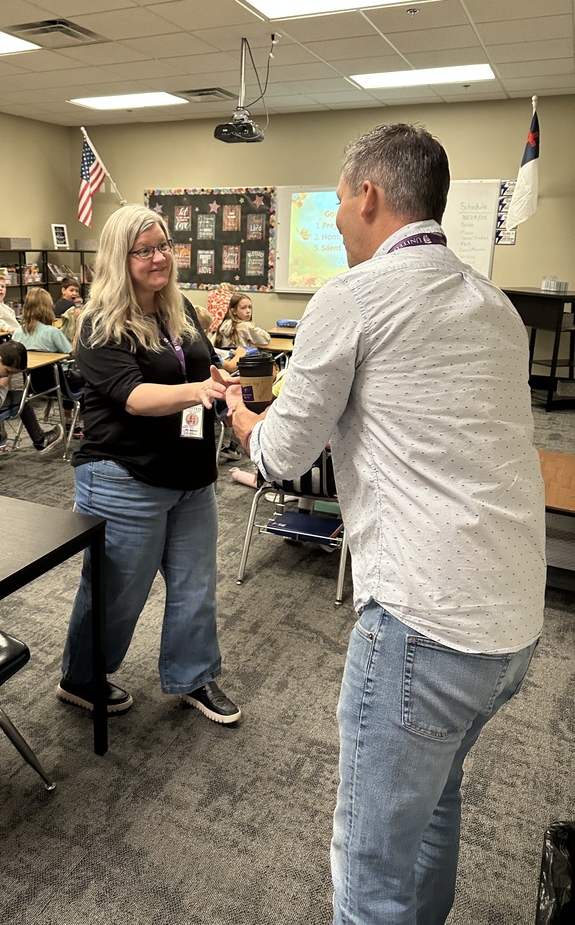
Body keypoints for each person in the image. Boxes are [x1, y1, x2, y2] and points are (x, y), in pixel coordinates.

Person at [225, 123, 546, 924]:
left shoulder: (355, 297)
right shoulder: (495, 307)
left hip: (424, 631)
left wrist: (242, 421)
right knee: (434, 809)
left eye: (336, 200)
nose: (334, 218)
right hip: (511, 630)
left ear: (367, 195)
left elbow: (285, 455)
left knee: (368, 871)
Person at [57, 204, 241, 725]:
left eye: (163, 247)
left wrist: (226, 373)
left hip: (189, 474)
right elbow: (133, 396)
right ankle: (82, 677)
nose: (158, 258)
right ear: (120, 257)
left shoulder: (175, 306)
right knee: (117, 592)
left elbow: (201, 362)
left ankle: (194, 676)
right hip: (123, 476)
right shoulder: (98, 323)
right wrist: (199, 389)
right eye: (144, 251)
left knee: (196, 585)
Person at [0, 338, 63, 453]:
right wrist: (2, 385)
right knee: (22, 398)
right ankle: (41, 440)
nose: (9, 376)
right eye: (8, 371)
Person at [54, 277, 83, 342]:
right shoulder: (70, 306)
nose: (75, 293)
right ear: (63, 290)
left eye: (76, 291)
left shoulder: (59, 302)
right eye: (71, 290)